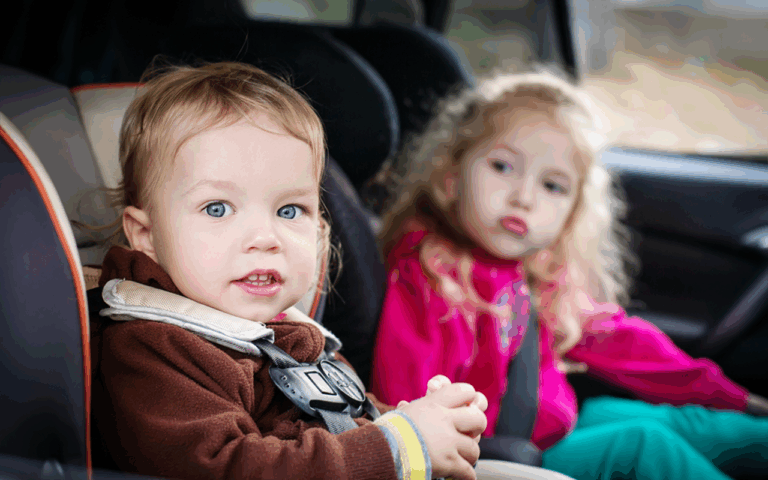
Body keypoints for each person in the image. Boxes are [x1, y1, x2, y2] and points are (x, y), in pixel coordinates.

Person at [89, 60, 496, 480]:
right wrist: (398, 446)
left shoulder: (293, 336)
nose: (265, 237)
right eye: (217, 208)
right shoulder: (152, 349)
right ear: (146, 235)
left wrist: (424, 423)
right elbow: (227, 468)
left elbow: (340, 421)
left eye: (288, 210)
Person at [369, 69, 768, 480]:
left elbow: (625, 345)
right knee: (642, 446)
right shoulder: (431, 275)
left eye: (552, 186)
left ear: (572, 213)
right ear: (451, 179)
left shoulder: (536, 272)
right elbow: (410, 406)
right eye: (502, 166)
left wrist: (733, 398)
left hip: (552, 428)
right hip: (498, 457)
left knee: (687, 424)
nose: (523, 197)